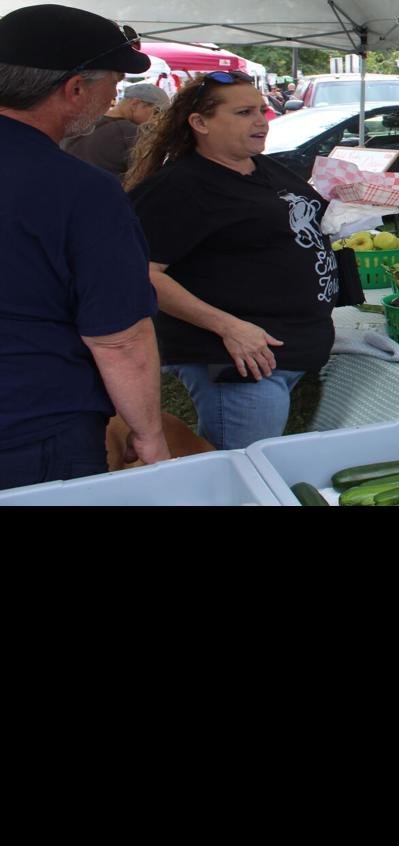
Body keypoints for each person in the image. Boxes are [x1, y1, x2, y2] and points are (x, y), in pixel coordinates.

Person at [124, 69, 340, 451]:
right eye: (243, 113)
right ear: (200, 123)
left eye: (261, 110)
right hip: (240, 360)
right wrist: (229, 327)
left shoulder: (262, 166)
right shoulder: (179, 187)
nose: (261, 121)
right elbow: (139, 274)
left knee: (261, 459)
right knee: (243, 464)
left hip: (286, 348)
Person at [0, 4, 167, 490]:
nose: (114, 96)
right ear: (74, 89)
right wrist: (149, 434)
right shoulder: (82, 190)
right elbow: (119, 338)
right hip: (33, 430)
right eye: (113, 83)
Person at [60, 81, 168, 182]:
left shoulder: (83, 123)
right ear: (135, 104)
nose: (157, 119)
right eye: (157, 112)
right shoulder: (131, 132)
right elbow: (142, 178)